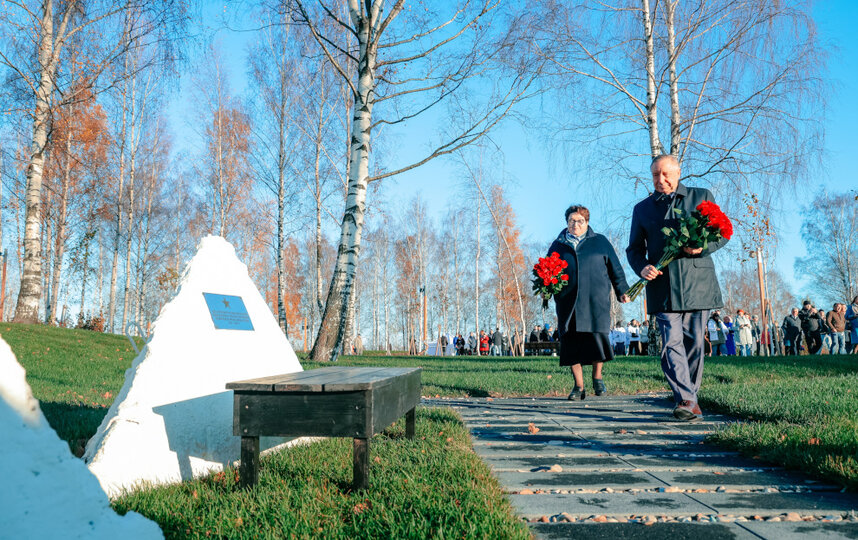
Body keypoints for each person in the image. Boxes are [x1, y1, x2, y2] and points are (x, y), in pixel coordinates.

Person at [626, 154, 729, 421]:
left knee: (694, 343)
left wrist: (702, 247)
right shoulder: (642, 209)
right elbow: (634, 249)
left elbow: (723, 232)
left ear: (678, 172)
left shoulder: (701, 196)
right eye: (655, 175)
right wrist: (642, 267)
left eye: (665, 174)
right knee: (670, 343)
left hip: (697, 283)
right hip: (662, 286)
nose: (660, 180)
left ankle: (689, 399)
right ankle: (686, 398)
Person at [548, 204, 630, 400]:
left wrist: (622, 290)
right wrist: (546, 290)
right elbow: (547, 270)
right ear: (566, 222)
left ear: (587, 223)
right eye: (571, 221)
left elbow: (615, 268)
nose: (575, 224)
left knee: (597, 338)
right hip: (569, 301)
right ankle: (578, 386)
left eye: (580, 221)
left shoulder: (600, 242)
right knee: (571, 341)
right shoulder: (558, 245)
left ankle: (597, 377)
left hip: (596, 299)